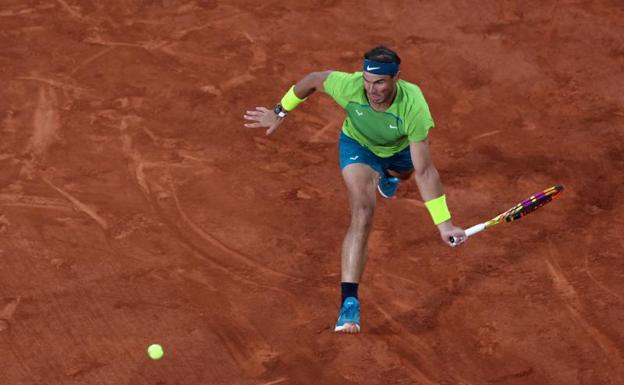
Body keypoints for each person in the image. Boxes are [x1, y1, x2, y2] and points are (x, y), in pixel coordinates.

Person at [244, 46, 466, 334]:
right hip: (357, 147)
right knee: (362, 210)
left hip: (398, 152)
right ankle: (349, 301)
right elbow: (312, 79)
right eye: (367, 81)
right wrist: (280, 111)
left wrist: (444, 223)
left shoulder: (414, 106)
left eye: (380, 82)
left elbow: (424, 171)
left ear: (396, 77)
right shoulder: (348, 86)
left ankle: (389, 175)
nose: (372, 90)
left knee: (405, 172)